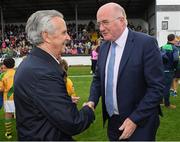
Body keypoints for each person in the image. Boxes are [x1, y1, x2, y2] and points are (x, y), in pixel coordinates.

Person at [84, 2, 164, 141]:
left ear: (121, 21)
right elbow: (98, 79)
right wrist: (92, 101)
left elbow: (156, 88)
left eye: (105, 22)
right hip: (113, 122)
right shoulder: (103, 47)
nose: (101, 28)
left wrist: (134, 119)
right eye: (99, 23)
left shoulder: (146, 43)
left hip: (141, 122)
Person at [14, 10, 95, 141]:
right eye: (64, 32)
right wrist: (88, 109)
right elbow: (73, 122)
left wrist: (64, 101)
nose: (68, 37)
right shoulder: (44, 72)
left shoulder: (35, 63)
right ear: (46, 36)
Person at [161, 34, 179, 108]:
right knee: (167, 88)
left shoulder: (162, 47)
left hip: (161, 70)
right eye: (175, 38)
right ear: (173, 39)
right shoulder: (174, 48)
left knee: (161, 86)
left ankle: (160, 102)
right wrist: (175, 67)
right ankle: (167, 104)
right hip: (169, 70)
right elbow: (176, 59)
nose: (176, 40)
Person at [0, 58, 16, 139]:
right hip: (19, 97)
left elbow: (1, 89)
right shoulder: (18, 72)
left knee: (8, 115)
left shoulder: (3, 75)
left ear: (5, 65)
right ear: (14, 64)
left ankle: (8, 134)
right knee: (21, 114)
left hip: (8, 98)